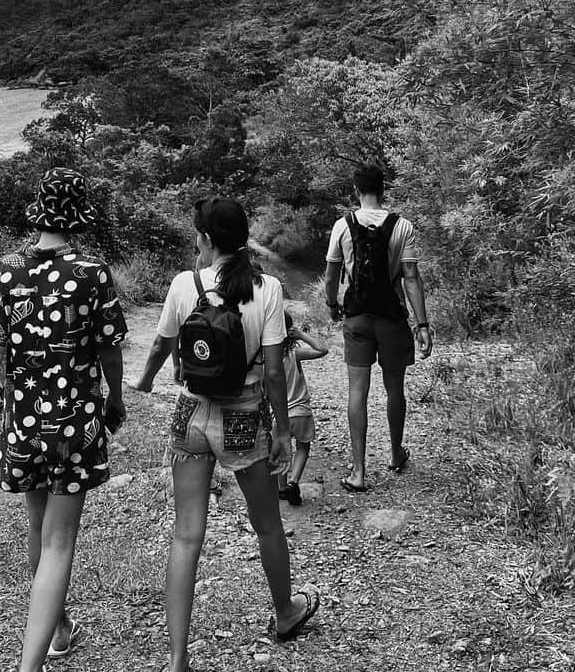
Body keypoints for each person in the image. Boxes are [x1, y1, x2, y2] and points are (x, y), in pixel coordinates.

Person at [133, 197, 320, 671]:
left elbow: (161, 344)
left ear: (207, 240)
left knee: (185, 536)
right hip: (243, 417)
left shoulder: (184, 284)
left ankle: (177, 659)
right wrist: (280, 428)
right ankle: (285, 612)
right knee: (267, 524)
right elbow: (276, 373)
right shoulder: (269, 288)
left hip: (190, 415)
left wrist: (145, 381)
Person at [0, 168, 127, 672]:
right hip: (74, 424)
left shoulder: (5, 271)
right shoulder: (92, 272)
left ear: (39, 210)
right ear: (78, 214)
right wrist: (114, 399)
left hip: (23, 423)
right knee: (59, 542)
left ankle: (58, 628)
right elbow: (109, 349)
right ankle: (30, 664)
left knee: (38, 530)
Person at [323, 164, 433, 492]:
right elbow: (411, 278)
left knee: (358, 392)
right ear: (383, 190)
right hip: (392, 317)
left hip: (357, 316)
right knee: (394, 388)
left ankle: (358, 472)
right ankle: (397, 454)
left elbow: (331, 275)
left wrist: (332, 304)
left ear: (356, 190)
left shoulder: (343, 226)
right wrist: (422, 323)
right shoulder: (403, 227)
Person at [277, 308, 328, 506]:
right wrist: (301, 334)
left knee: (281, 450)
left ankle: (282, 488)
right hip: (300, 412)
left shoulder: (265, 358)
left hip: (278, 415)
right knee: (303, 447)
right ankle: (294, 481)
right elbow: (322, 349)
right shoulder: (294, 353)